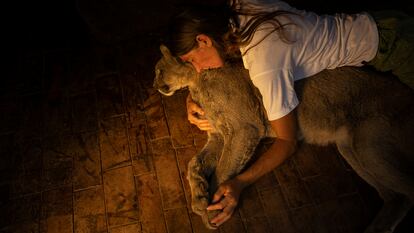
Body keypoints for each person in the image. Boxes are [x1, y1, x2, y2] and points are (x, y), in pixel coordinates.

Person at [164, 0, 414, 227]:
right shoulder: (238, 7)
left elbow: (287, 142)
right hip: (382, 22)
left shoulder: (265, 63)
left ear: (204, 40)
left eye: (192, 60)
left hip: (395, 47)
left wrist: (240, 183)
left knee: (367, 142)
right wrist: (192, 96)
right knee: (351, 146)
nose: (197, 69)